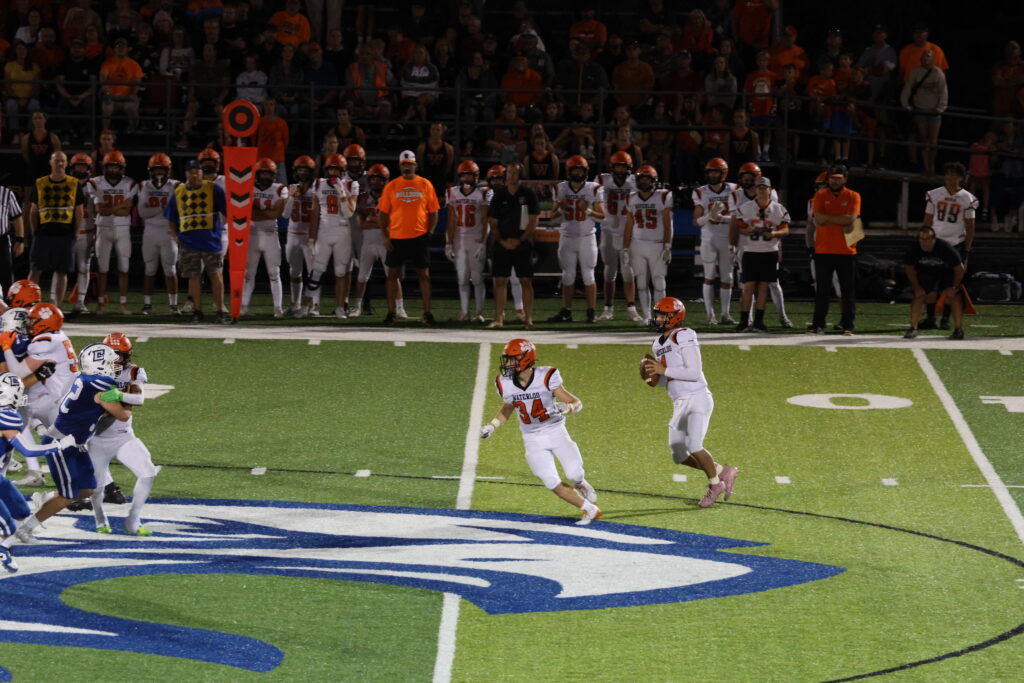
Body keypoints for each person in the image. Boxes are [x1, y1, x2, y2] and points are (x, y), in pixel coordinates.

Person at [11, 342, 129, 542]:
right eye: (110, 362)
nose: (114, 366)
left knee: (87, 490)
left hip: (75, 443)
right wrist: (132, 393)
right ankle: (25, 529)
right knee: (68, 495)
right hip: (60, 443)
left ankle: (47, 498)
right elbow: (123, 414)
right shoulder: (98, 384)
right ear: (99, 365)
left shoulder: (88, 379)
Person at [479, 338, 600, 526]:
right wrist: (492, 425)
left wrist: (568, 408)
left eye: (512, 359)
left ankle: (581, 483)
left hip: (555, 431)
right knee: (550, 480)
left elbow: (575, 402)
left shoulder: (546, 376)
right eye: (507, 359)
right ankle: (589, 508)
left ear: (525, 359)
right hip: (532, 437)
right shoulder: (504, 382)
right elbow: (508, 407)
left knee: (574, 474)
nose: (508, 363)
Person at [641, 297, 739, 507]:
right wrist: (653, 378)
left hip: (697, 396)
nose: (657, 319)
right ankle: (723, 471)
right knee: (678, 453)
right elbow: (669, 379)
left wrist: (663, 370)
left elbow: (694, 372)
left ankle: (715, 485)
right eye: (657, 315)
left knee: (694, 445)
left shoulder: (684, 335)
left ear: (674, 317)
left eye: (662, 315)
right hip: (679, 402)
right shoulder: (657, 344)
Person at [87, 333, 161, 536]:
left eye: (118, 354)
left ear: (126, 355)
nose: (114, 359)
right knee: (97, 487)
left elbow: (139, 399)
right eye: (110, 354)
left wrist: (118, 394)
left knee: (148, 472)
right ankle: (101, 520)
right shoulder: (92, 372)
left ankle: (133, 519)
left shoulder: (134, 371)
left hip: (123, 436)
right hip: (96, 438)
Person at [2, 301, 76, 489]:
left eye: (32, 321)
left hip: (54, 397)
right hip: (59, 396)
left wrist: (7, 347)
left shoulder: (42, 342)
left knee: (74, 444)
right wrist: (37, 376)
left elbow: (16, 376)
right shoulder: (54, 337)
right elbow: (10, 379)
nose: (28, 326)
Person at [0, 372, 62, 570]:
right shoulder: (7, 417)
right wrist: (58, 446)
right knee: (7, 526)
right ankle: (3, 552)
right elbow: (27, 450)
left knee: (21, 511)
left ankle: (5, 547)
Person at [377, 150, 439, 326]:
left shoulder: (425, 184)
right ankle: (391, 313)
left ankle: (427, 313)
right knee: (392, 275)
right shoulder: (392, 186)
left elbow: (433, 212)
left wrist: (430, 232)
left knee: (424, 275)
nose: (407, 167)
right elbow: (382, 213)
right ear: (400, 165)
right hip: (396, 237)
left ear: (415, 165)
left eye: (410, 164)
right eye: (404, 164)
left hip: (419, 236)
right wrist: (385, 237)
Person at [727, 162, 792, 328]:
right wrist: (737, 238)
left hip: (769, 250)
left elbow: (784, 228)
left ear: (770, 190)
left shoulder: (777, 207)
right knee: (747, 285)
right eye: (759, 187)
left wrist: (775, 235)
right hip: (749, 249)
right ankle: (745, 319)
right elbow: (737, 224)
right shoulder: (741, 202)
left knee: (768, 286)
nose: (762, 190)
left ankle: (769, 319)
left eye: (765, 188)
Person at [164, 160, 229, 324]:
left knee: (215, 273)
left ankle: (220, 310)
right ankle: (197, 311)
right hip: (188, 241)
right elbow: (171, 218)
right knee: (193, 277)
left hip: (211, 240)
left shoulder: (213, 188)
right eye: (191, 172)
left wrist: (221, 229)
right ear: (186, 174)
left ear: (202, 172)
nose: (195, 175)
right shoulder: (179, 192)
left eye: (197, 171)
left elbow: (227, 211)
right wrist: (176, 237)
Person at [547, 155, 605, 324]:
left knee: (588, 276)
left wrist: (587, 210)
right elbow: (552, 217)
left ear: (585, 171)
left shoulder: (594, 188)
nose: (578, 173)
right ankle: (567, 311)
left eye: (580, 170)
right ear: (569, 171)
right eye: (575, 170)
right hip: (567, 237)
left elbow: (602, 216)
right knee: (567, 276)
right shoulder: (560, 188)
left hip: (587, 238)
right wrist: (561, 208)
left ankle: (591, 312)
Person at [921, 162, 977, 330]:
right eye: (947, 174)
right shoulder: (934, 194)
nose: (950, 178)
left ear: (961, 178)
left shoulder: (967, 198)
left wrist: (966, 250)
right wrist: (923, 241)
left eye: (953, 175)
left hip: (954, 245)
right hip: (935, 243)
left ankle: (945, 319)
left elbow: (970, 227)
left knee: (950, 285)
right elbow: (927, 220)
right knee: (929, 284)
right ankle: (930, 318)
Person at [27, 151, 86, 307]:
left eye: (62, 161)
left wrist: (75, 232)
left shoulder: (74, 184)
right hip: (43, 234)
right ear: (50, 162)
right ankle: (29, 305)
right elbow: (33, 210)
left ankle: (56, 307)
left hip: (65, 234)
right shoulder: (40, 183)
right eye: (56, 160)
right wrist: (35, 232)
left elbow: (79, 211)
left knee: (61, 272)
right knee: (35, 270)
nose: (59, 163)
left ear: (66, 163)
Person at [304, 154, 358, 319]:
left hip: (342, 231)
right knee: (316, 270)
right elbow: (315, 213)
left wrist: (341, 193)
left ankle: (340, 308)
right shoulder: (318, 183)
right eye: (331, 169)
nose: (333, 173)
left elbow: (349, 213)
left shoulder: (351, 184)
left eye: (336, 170)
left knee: (341, 272)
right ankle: (305, 307)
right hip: (324, 231)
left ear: (343, 171)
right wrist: (311, 238)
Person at [810, 163, 861, 335]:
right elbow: (818, 219)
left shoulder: (853, 195)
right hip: (823, 249)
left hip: (847, 250)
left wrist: (829, 219)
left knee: (847, 291)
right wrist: (841, 218)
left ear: (845, 179)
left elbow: (851, 219)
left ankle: (848, 325)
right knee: (822, 290)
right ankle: (818, 324)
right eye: (832, 178)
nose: (834, 181)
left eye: (838, 178)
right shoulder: (820, 195)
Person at [486, 162, 538, 329]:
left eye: (514, 173)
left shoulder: (528, 194)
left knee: (525, 280)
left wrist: (520, 240)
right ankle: (498, 318)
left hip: (523, 243)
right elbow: (492, 222)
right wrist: (502, 241)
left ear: (520, 175)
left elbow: (533, 220)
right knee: (500, 280)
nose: (511, 176)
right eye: (509, 172)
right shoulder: (499, 195)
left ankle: (528, 319)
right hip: (502, 243)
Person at [352, 164, 406, 319]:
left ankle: (400, 308)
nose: (375, 182)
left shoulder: (393, 196)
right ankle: (357, 307)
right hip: (368, 242)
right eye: (373, 179)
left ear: (385, 180)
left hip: (386, 242)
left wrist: (372, 219)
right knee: (362, 277)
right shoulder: (363, 197)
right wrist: (380, 222)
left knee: (393, 276)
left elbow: (393, 222)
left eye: (379, 179)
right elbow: (361, 224)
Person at [88, 150, 137, 315]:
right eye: (111, 167)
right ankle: (100, 304)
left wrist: (111, 208)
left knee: (124, 267)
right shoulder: (96, 182)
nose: (113, 170)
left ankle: (123, 304)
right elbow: (100, 210)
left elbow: (127, 211)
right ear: (105, 167)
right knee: (102, 269)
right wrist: (120, 205)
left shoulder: (130, 183)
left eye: (116, 167)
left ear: (122, 168)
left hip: (123, 229)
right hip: (103, 228)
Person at [595, 152, 642, 322]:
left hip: (628, 233)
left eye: (624, 167)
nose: (621, 170)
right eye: (618, 166)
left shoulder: (636, 181)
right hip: (608, 231)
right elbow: (595, 200)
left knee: (628, 271)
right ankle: (608, 308)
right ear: (612, 167)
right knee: (609, 271)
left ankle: (631, 308)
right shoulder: (602, 180)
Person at [622, 165, 672, 324]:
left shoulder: (663, 196)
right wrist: (625, 247)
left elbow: (668, 224)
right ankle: (647, 316)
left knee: (659, 282)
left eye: (647, 179)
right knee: (642, 283)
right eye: (641, 179)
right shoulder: (631, 197)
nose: (644, 182)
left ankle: (662, 316)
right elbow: (629, 224)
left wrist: (668, 245)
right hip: (637, 244)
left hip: (657, 244)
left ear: (654, 180)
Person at [693, 157, 738, 325]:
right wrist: (709, 216)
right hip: (709, 239)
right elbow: (696, 222)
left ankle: (725, 314)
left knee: (727, 278)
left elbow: (739, 217)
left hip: (727, 238)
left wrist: (722, 218)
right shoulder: (701, 191)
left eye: (715, 172)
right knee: (709, 276)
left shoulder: (734, 189)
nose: (712, 175)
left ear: (723, 173)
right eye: (710, 172)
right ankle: (710, 315)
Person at [241, 159, 288, 318]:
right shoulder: (247, 187)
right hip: (252, 234)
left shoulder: (280, 189)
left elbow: (276, 213)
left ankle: (278, 308)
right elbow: (245, 212)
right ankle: (244, 306)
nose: (265, 176)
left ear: (274, 175)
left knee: (274, 273)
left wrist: (256, 213)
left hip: (270, 234)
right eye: (263, 173)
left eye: (268, 173)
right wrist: (265, 213)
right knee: (249, 274)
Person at [445, 161, 489, 323]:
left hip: (476, 238)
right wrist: (449, 243)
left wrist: (483, 242)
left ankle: (478, 313)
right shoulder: (453, 192)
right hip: (459, 239)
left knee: (477, 278)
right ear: (460, 176)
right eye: (465, 175)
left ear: (477, 176)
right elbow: (451, 220)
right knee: (462, 278)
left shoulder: (483, 193)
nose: (468, 178)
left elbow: (485, 220)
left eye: (471, 175)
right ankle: (464, 312)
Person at [903, 226, 965, 340]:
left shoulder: (945, 248)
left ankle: (958, 330)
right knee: (919, 295)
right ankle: (913, 328)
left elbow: (959, 269)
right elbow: (909, 269)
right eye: (921, 239)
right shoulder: (913, 248)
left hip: (946, 271)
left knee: (954, 296)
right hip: (926, 272)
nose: (924, 242)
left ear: (934, 239)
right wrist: (917, 287)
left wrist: (954, 286)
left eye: (927, 239)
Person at [137, 153, 180, 315]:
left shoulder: (177, 185)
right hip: (150, 232)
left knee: (170, 269)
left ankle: (173, 305)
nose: (159, 173)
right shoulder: (144, 185)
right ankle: (147, 304)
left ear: (168, 170)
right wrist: (162, 209)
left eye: (162, 169)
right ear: (151, 170)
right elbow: (142, 212)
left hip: (168, 231)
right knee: (149, 269)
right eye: (156, 170)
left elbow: (177, 211)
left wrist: (153, 210)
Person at [900, 50, 947, 178]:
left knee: (933, 141)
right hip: (920, 109)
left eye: (928, 57)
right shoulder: (916, 72)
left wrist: (940, 108)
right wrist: (906, 104)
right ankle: (926, 167)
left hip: (934, 110)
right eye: (923, 56)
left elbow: (943, 91)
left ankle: (932, 167)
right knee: (924, 140)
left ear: (933, 59)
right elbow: (907, 88)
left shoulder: (938, 73)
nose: (925, 59)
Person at [284, 156, 318, 316]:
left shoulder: (316, 189)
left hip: (309, 236)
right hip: (293, 235)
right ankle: (296, 303)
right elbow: (285, 214)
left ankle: (315, 305)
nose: (302, 173)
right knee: (294, 272)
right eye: (300, 170)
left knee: (313, 272)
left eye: (305, 170)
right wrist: (292, 197)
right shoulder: (291, 188)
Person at [66, 152, 95, 314]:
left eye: (83, 167)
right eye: (78, 166)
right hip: (68, 231)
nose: (80, 170)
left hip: (87, 231)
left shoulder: (94, 186)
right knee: (61, 267)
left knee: (84, 267)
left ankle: (80, 302)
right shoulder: (66, 184)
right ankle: (55, 301)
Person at [0, 184, 26, 293]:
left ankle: (7, 299)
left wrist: (20, 240)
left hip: (1, 239)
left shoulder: (6, 193)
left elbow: (17, 217)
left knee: (5, 274)